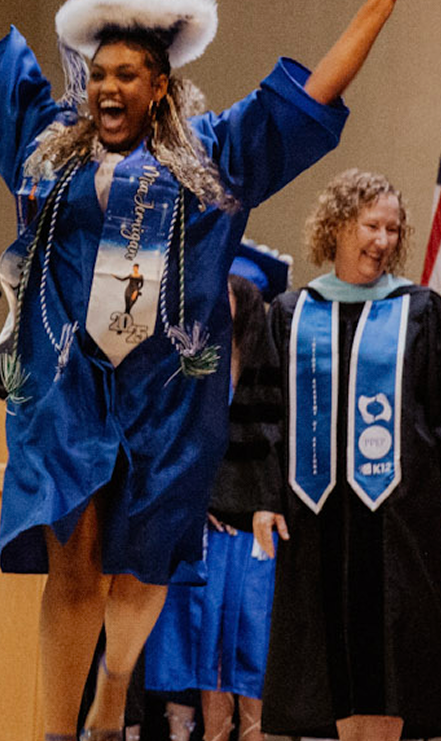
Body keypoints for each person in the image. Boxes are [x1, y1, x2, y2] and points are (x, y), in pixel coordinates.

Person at [0, 0, 400, 741]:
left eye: (127, 75)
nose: (107, 88)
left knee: (142, 569)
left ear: (161, 87)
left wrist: (375, 10)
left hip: (170, 394)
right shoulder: (45, 153)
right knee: (73, 560)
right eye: (97, 74)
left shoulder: (216, 159)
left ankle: (116, 681)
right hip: (65, 391)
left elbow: (309, 100)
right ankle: (55, 732)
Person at [253, 169, 441, 741]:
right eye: (372, 225)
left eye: (394, 230)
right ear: (338, 227)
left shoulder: (418, 313)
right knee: (323, 673)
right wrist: (263, 500)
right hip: (315, 521)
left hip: (397, 527)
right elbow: (265, 411)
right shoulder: (292, 314)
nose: (384, 240)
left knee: (388, 661)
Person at [145, 260, 285, 741]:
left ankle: (253, 733)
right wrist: (195, 495)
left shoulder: (265, 364)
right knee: (195, 639)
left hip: (251, 529)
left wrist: (248, 499)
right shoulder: (191, 361)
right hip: (199, 524)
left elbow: (271, 440)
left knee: (248, 637)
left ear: (246, 305)